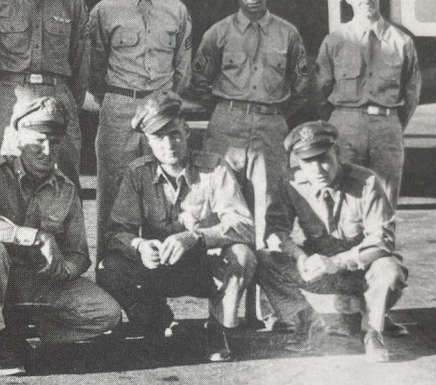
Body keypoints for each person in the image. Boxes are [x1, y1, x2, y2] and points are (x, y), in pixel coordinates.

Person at [0, 97, 122, 375]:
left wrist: (63, 270)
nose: (47, 150)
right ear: (19, 138)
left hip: (34, 283)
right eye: (39, 140)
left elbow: (79, 254)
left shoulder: (66, 189)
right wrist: (38, 237)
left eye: (55, 141)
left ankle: (16, 334)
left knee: (106, 313)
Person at [97, 91, 256, 362]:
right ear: (147, 141)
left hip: (205, 266)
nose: (168, 144)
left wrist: (195, 238)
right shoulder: (138, 173)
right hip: (160, 267)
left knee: (243, 256)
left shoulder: (214, 168)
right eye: (158, 137)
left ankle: (218, 330)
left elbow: (243, 226)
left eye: (174, 133)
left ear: (186, 130)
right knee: (109, 269)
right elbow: (116, 231)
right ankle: (157, 320)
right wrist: (140, 246)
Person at [257, 121, 409, 362]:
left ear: (337, 153)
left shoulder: (366, 182)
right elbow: (276, 231)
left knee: (390, 270)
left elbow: (382, 239)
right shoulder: (291, 182)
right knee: (264, 260)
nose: (317, 168)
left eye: (324, 158)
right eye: (307, 161)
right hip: (321, 271)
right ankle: (308, 323)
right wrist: (300, 257)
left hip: (361, 269)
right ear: (298, 162)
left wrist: (337, 262)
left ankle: (372, 332)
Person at [313, 0, 420, 337]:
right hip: (345, 122)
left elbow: (412, 92)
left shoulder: (401, 41)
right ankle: (345, 309)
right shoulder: (335, 40)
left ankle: (377, 310)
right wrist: (339, 124)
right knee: (343, 212)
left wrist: (390, 126)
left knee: (382, 212)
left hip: (387, 126)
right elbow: (320, 89)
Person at [191, 0, 310, 251]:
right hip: (227, 124)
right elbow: (200, 80)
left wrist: (274, 113)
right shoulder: (218, 32)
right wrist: (226, 110)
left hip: (270, 127)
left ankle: (266, 280)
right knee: (218, 201)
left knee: (269, 208)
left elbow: (301, 85)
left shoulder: (287, 33)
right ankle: (223, 277)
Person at [85, 0, 192, 264]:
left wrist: (164, 102)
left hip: (162, 106)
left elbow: (183, 68)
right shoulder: (105, 10)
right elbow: (93, 66)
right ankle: (110, 269)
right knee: (113, 190)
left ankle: (163, 267)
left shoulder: (176, 9)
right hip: (121, 105)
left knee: (164, 188)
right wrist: (112, 97)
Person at [0, 0, 88, 187]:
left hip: (57, 92)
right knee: (1, 173)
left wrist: (68, 100)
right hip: (12, 94)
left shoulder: (72, 4)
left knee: (65, 176)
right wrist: (2, 94)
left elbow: (81, 59)